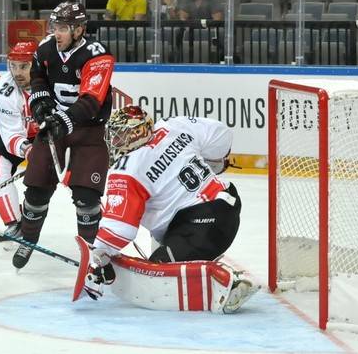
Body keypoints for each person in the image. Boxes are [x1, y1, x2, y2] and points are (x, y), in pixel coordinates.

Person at [77, 106, 250, 304]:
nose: (115, 142)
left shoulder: (127, 168)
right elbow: (222, 135)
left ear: (137, 133)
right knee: (164, 225)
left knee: (156, 276)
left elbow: (120, 229)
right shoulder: (172, 125)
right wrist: (213, 162)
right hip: (228, 203)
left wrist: (97, 259)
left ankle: (226, 282)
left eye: (120, 135)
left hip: (201, 228)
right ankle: (196, 258)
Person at [12, 1, 115, 269]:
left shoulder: (97, 55)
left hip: (89, 131)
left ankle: (91, 253)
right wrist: (41, 103)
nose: (56, 32)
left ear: (79, 30)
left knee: (87, 197)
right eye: (55, 26)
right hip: (54, 129)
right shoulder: (46, 48)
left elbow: (92, 101)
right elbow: (38, 78)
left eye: (63, 28)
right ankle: (28, 240)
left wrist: (63, 120)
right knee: (35, 189)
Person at [0, 41, 39, 251]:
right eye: (13, 66)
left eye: (23, 66)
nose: (17, 72)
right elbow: (11, 135)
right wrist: (27, 149)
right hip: (21, 137)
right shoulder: (3, 91)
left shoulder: (52, 82)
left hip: (51, 135)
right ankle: (15, 223)